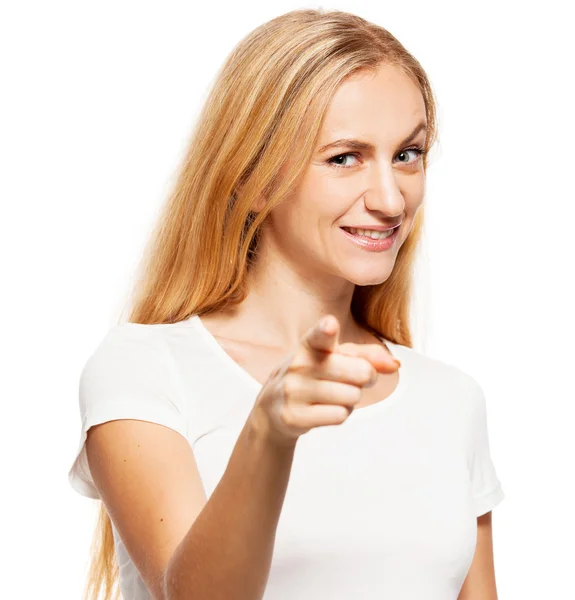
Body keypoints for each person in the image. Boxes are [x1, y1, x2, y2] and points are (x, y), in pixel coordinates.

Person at [68, 8, 505, 600]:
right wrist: (268, 434)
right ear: (253, 175)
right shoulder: (145, 369)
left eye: (408, 153)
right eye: (344, 157)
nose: (389, 197)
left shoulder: (452, 399)